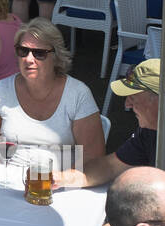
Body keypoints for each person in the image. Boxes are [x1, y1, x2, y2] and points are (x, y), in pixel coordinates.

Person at [0, 18, 106, 173]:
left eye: (39, 53)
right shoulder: (3, 89)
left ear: (56, 57)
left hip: (61, 187)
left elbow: (94, 158)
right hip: (8, 183)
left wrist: (60, 181)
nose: (29, 59)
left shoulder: (77, 94)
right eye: (23, 51)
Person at [55, 59, 160, 188]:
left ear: (159, 101)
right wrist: (61, 178)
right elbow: (109, 167)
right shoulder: (148, 132)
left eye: (133, 97)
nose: (127, 104)